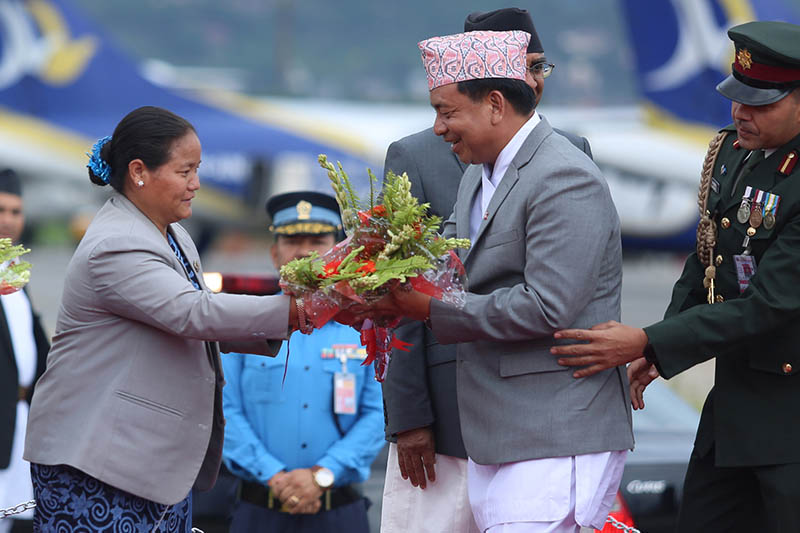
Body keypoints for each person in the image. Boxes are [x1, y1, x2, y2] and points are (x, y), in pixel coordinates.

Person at [366, 29, 632, 532]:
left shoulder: (562, 176)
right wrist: (365, 284)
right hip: (496, 433)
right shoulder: (479, 174)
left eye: (447, 112)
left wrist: (425, 308)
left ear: (493, 104)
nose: (439, 129)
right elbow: (440, 266)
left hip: (554, 431)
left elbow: (547, 306)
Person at [551, 21, 800, 533]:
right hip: (734, 411)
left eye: (760, 103)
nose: (740, 113)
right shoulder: (734, 152)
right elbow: (708, 260)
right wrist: (657, 351)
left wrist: (648, 339)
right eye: (737, 97)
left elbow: (769, 303)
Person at [22, 106, 319, 532]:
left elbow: (190, 317)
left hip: (144, 460)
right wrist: (295, 310)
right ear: (139, 171)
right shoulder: (117, 243)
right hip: (97, 463)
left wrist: (289, 316)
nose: (197, 184)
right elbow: (190, 312)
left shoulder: (170, 232)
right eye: (186, 172)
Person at [222, 191, 385, 533]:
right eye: (293, 240)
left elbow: (379, 414)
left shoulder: (366, 325)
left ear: (341, 251)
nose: (305, 250)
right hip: (258, 511)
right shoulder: (244, 322)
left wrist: (323, 475)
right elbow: (225, 411)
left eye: (318, 239)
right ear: (274, 252)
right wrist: (273, 476)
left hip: (339, 512)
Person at [0, 169, 48, 533]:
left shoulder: (14, 269)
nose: (9, 220)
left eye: (16, 212)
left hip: (18, 425)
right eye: (1, 210)